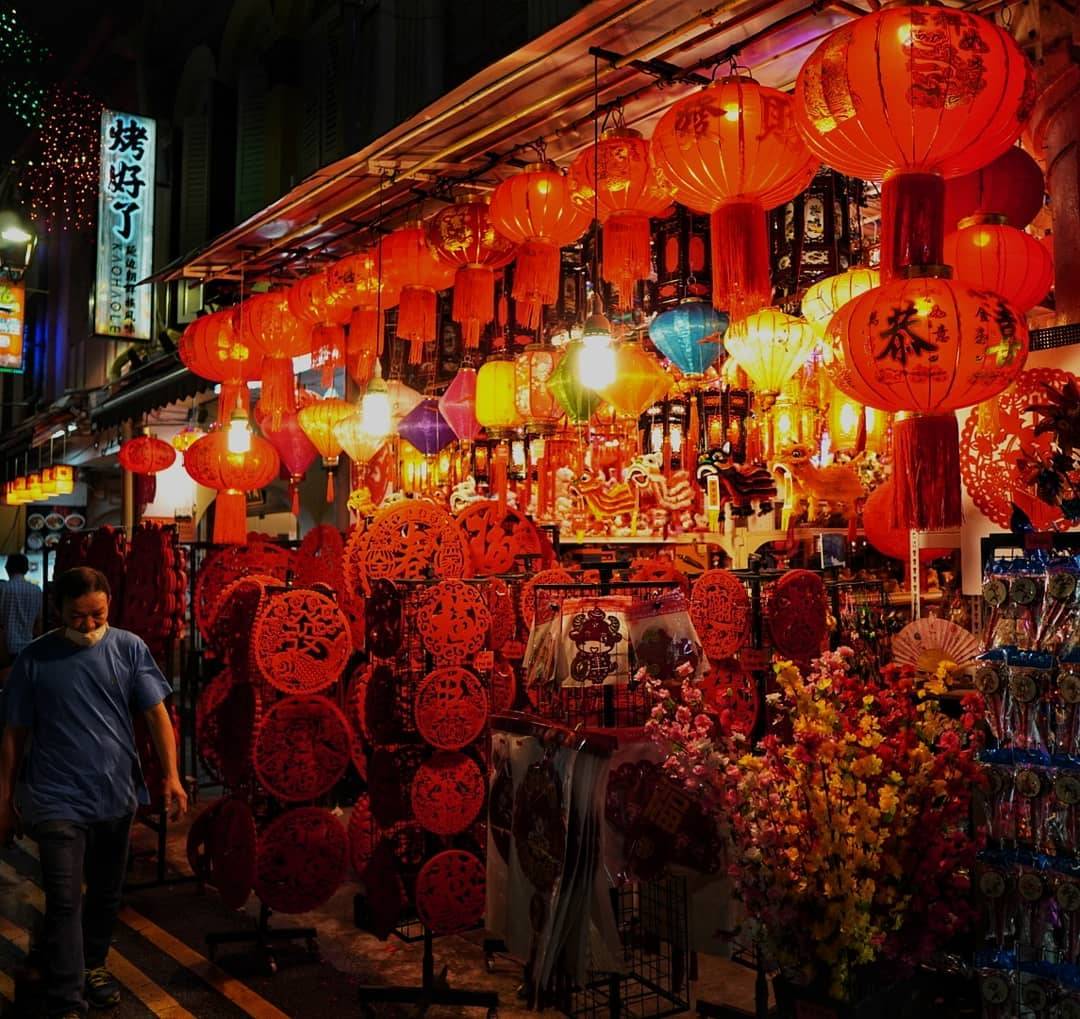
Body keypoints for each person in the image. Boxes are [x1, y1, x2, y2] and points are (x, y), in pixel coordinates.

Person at [0, 567, 187, 1018]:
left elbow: (157, 716)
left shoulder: (129, 648)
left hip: (114, 792)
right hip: (54, 796)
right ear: (57, 611)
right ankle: (68, 997)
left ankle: (94, 965)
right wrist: (4, 799)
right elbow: (13, 734)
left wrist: (172, 776)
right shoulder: (35, 659)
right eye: (78, 616)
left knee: (105, 892)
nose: (88, 625)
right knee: (65, 899)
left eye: (97, 614)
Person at [0, 553, 42, 665]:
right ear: (26, 569)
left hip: (6, 650)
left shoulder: (3, 588)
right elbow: (38, 624)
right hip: (29, 648)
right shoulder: (36, 590)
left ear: (7, 568)